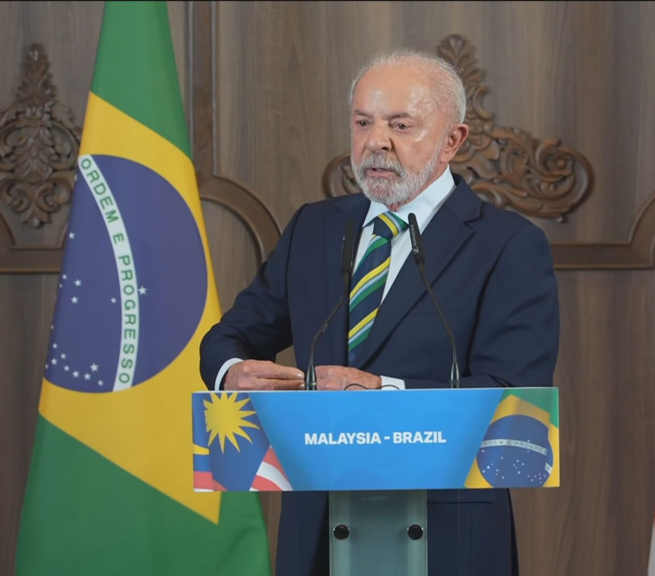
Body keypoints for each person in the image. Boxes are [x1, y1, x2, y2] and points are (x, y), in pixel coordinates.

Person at [200, 49, 560, 576]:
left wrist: (382, 391)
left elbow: (516, 396)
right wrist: (233, 372)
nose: (376, 142)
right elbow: (230, 336)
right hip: (319, 528)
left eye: (400, 124)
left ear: (452, 141)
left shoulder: (508, 244)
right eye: (363, 122)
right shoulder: (314, 229)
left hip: (446, 532)